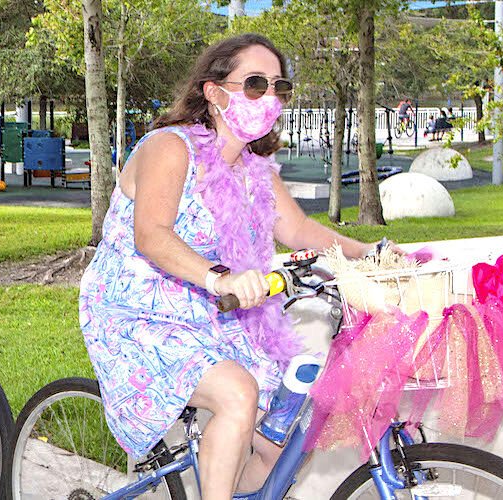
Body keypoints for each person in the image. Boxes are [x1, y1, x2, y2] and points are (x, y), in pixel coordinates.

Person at [78, 34, 393, 500]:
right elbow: (152, 235)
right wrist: (218, 276)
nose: (268, 98)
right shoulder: (170, 147)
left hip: (217, 312)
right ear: (213, 91)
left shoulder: (256, 170)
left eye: (277, 87)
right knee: (238, 395)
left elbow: (302, 230)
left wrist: (373, 254)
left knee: (284, 433)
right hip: (135, 311)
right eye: (254, 84)